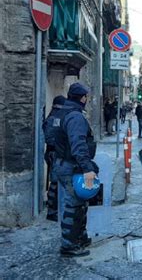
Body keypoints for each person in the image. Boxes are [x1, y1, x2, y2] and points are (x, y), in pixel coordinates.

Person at [53, 83, 98, 257]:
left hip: (64, 163)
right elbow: (78, 145)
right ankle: (69, 245)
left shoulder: (62, 112)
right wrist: (87, 168)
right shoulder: (75, 117)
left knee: (79, 204)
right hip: (72, 166)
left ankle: (80, 237)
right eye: (87, 96)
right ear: (83, 98)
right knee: (73, 206)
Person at [42, 95, 66, 222]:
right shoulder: (53, 119)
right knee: (55, 183)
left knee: (57, 182)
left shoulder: (56, 117)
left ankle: (56, 209)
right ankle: (52, 211)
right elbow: (50, 138)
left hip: (57, 153)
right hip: (54, 154)